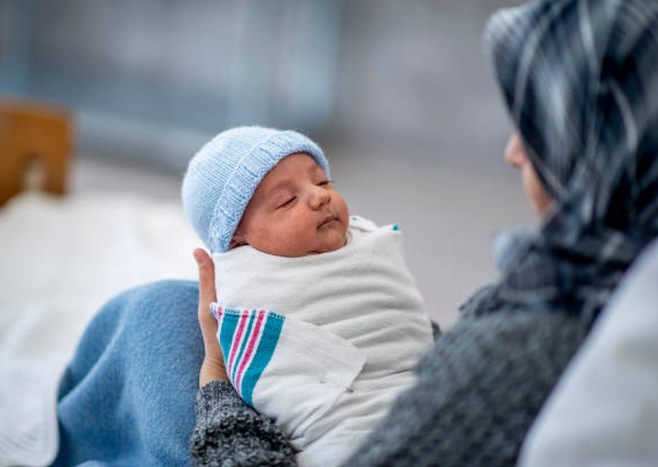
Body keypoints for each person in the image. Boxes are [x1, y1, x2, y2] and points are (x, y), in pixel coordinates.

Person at [53, 0, 658, 465]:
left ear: (605, 149)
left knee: (153, 319)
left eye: (540, 127)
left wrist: (216, 380)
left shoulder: (531, 345)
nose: (512, 152)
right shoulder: (614, 274)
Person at [180, 126, 435, 466]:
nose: (320, 197)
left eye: (322, 182)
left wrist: (214, 369)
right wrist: (217, 357)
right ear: (238, 238)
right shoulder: (242, 284)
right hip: (339, 433)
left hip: (427, 401)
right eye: (288, 199)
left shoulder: (364, 239)